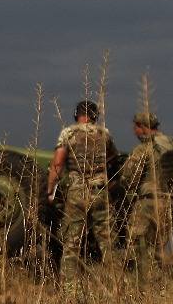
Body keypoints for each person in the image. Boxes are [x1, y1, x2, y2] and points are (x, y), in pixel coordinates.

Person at [118, 111, 173, 280]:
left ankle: (138, 283)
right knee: (158, 246)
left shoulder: (143, 149)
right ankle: (159, 283)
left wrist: (129, 194)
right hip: (170, 203)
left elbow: (128, 178)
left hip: (147, 203)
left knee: (136, 245)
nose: (134, 131)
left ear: (142, 127)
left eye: (136, 127)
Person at [47, 100, 119, 284]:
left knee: (72, 241)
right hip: (100, 191)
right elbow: (113, 157)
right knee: (107, 241)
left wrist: (50, 190)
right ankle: (116, 285)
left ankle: (69, 287)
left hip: (77, 192)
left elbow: (57, 164)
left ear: (76, 114)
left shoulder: (68, 133)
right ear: (95, 116)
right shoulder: (104, 134)